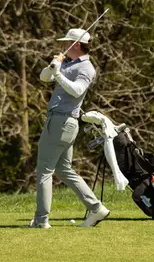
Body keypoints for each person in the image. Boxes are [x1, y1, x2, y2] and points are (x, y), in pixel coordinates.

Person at [29, 28, 110, 228]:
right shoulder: (67, 62)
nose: (64, 46)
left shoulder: (87, 68)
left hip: (61, 122)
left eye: (67, 43)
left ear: (75, 45)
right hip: (62, 123)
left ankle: (41, 220)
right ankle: (96, 208)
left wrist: (58, 74)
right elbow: (43, 77)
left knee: (44, 171)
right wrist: (53, 66)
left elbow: (77, 90)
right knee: (63, 170)